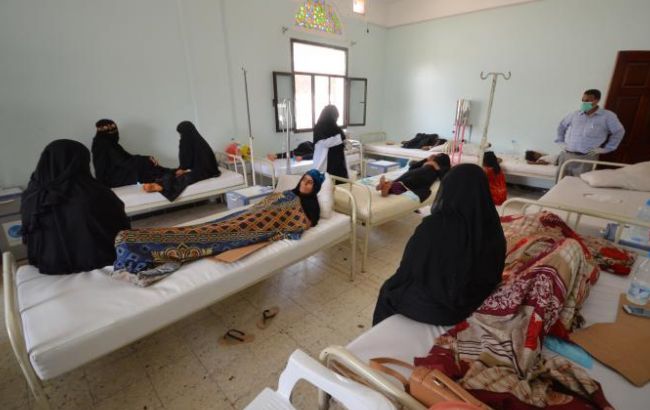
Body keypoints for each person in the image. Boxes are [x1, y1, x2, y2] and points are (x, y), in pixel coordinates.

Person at [113, 170, 325, 283]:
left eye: (310, 183)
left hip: (256, 226)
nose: (304, 184)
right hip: (249, 216)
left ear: (315, 187)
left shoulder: (311, 205)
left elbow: (303, 223)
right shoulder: (288, 193)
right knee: (212, 225)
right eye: (303, 180)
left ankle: (145, 246)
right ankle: (137, 239)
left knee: (215, 234)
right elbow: (266, 204)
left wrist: (290, 218)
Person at [372, 164, 506, 326]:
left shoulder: (433, 227)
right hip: (477, 296)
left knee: (388, 291)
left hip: (443, 310)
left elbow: (409, 270)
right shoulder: (492, 222)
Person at [21, 139, 131, 275]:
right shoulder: (94, 193)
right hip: (98, 262)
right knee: (154, 240)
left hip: (47, 264)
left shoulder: (31, 196)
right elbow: (122, 230)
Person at [142, 121, 220, 201]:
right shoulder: (198, 139)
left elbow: (186, 160)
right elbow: (190, 160)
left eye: (180, 133)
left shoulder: (186, 141)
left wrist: (183, 169)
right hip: (208, 169)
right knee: (173, 172)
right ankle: (158, 183)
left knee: (183, 178)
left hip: (206, 171)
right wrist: (183, 168)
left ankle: (161, 186)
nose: (180, 135)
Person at [555, 89, 625, 177]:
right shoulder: (575, 114)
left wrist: (607, 148)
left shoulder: (607, 116)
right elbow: (561, 126)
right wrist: (560, 142)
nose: (584, 103)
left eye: (587, 101)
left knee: (581, 182)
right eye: (583, 100)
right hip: (567, 155)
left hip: (587, 157)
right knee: (561, 181)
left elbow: (619, 131)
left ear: (597, 100)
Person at [91, 119, 170, 188]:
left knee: (145, 164)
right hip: (111, 180)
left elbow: (127, 157)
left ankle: (169, 174)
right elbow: (124, 162)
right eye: (110, 130)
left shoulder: (104, 143)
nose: (113, 133)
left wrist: (146, 158)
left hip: (111, 177)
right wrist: (146, 160)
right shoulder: (106, 145)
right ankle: (170, 175)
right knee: (145, 167)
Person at [375, 153, 451, 202]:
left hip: (425, 176)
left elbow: (444, 178)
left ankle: (386, 187)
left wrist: (436, 167)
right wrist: (426, 160)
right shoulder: (427, 162)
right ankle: (386, 187)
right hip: (415, 172)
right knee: (404, 179)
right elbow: (411, 168)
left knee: (407, 182)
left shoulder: (444, 168)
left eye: (438, 156)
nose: (435, 157)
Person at [312, 105, 348, 180]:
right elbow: (324, 143)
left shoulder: (334, 127)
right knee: (327, 181)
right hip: (328, 161)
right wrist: (340, 138)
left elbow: (341, 139)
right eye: (335, 117)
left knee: (339, 181)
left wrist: (343, 141)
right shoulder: (319, 127)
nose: (336, 119)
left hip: (338, 161)